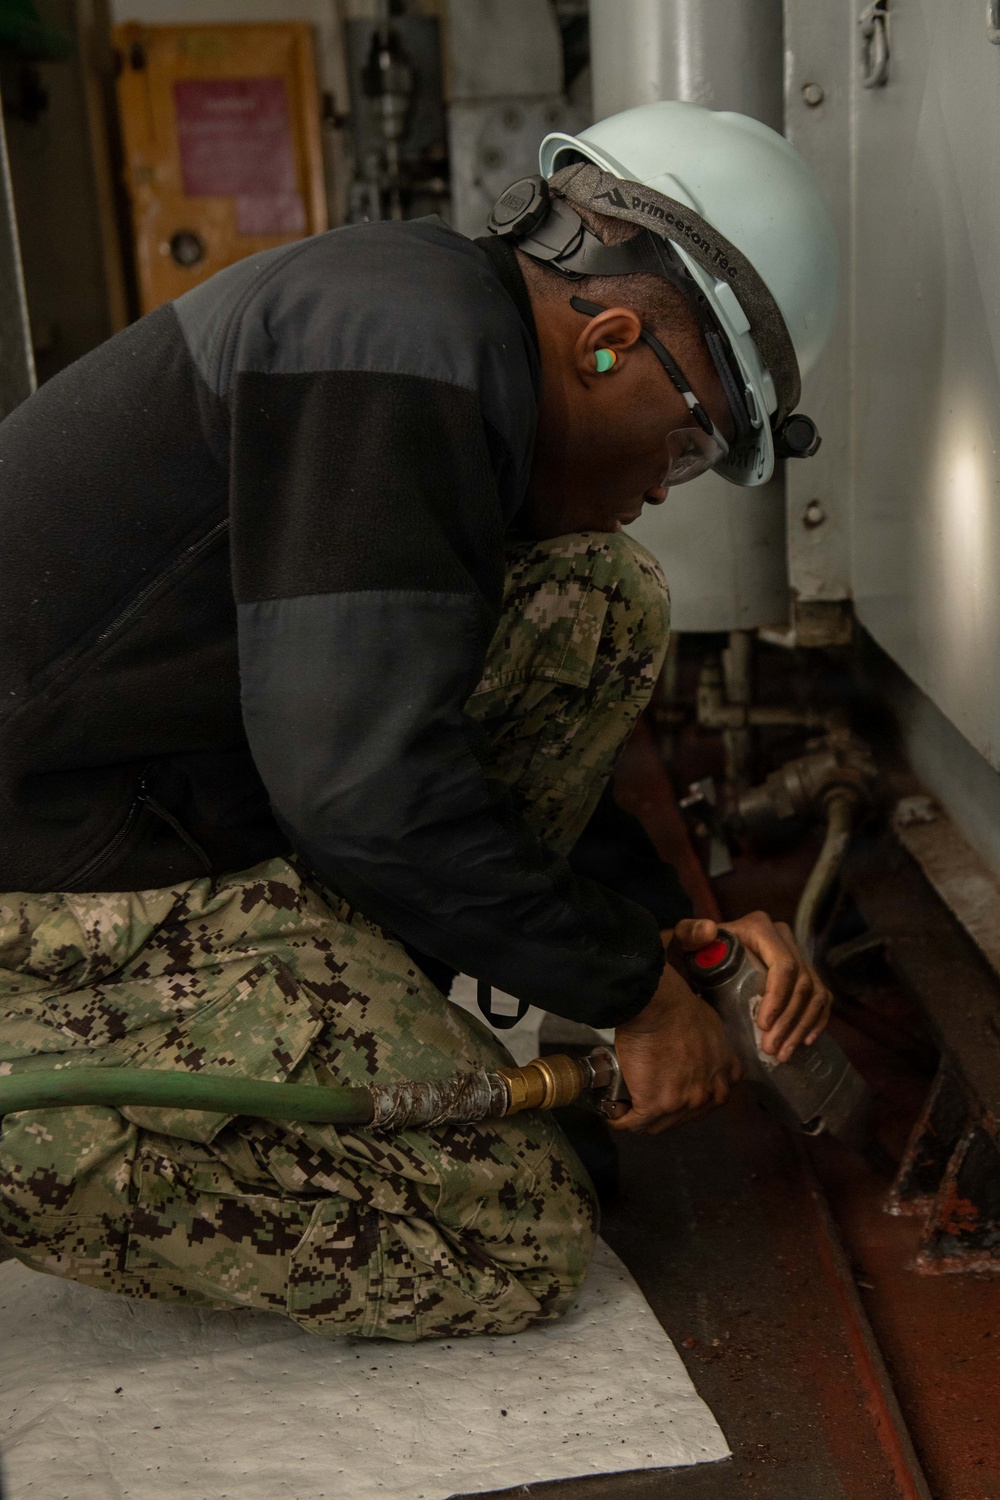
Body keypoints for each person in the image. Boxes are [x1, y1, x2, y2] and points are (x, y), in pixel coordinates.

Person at [0, 101, 838, 1340]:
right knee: (517, 1232)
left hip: (167, 794)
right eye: (688, 444)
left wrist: (661, 943)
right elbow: (362, 790)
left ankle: (393, 998)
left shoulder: (433, 331)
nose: (665, 488)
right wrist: (631, 994)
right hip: (49, 876)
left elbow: (412, 726)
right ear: (610, 342)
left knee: (594, 598)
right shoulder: (394, 350)